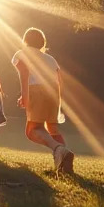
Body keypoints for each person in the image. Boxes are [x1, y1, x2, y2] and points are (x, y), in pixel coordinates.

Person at [12, 27, 74, 173]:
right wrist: (58, 100)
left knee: (32, 131)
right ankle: (64, 161)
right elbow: (60, 80)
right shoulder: (51, 59)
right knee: (52, 128)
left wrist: (25, 97)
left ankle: (59, 150)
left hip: (36, 90)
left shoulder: (21, 54)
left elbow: (24, 74)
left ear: (25, 40)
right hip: (53, 92)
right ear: (42, 43)